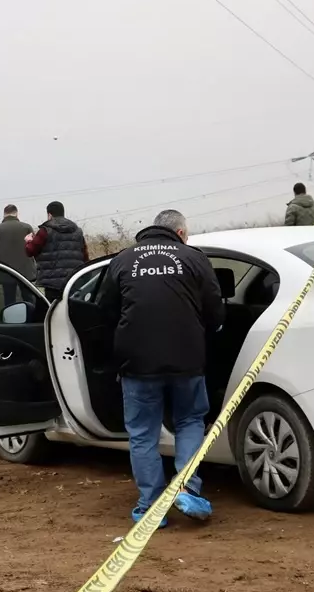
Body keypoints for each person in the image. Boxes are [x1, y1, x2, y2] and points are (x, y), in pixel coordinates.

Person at [96, 209, 224, 527]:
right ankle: (186, 489)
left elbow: (104, 310)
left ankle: (150, 506)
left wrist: (118, 345)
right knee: (190, 421)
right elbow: (215, 309)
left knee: (142, 434)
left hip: (137, 362)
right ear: (180, 234)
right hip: (187, 359)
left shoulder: (123, 260)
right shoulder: (194, 258)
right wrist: (207, 333)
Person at [25, 200, 89, 301]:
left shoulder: (45, 230)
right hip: (73, 280)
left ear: (49, 215)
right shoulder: (77, 230)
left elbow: (30, 251)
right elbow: (85, 256)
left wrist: (28, 241)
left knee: (53, 310)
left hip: (52, 284)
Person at [0, 204, 35, 304]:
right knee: (29, 299)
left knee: (9, 300)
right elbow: (34, 248)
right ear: (16, 214)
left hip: (6, 272)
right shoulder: (27, 227)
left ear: (4, 214)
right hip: (26, 272)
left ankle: (10, 319)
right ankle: (33, 318)